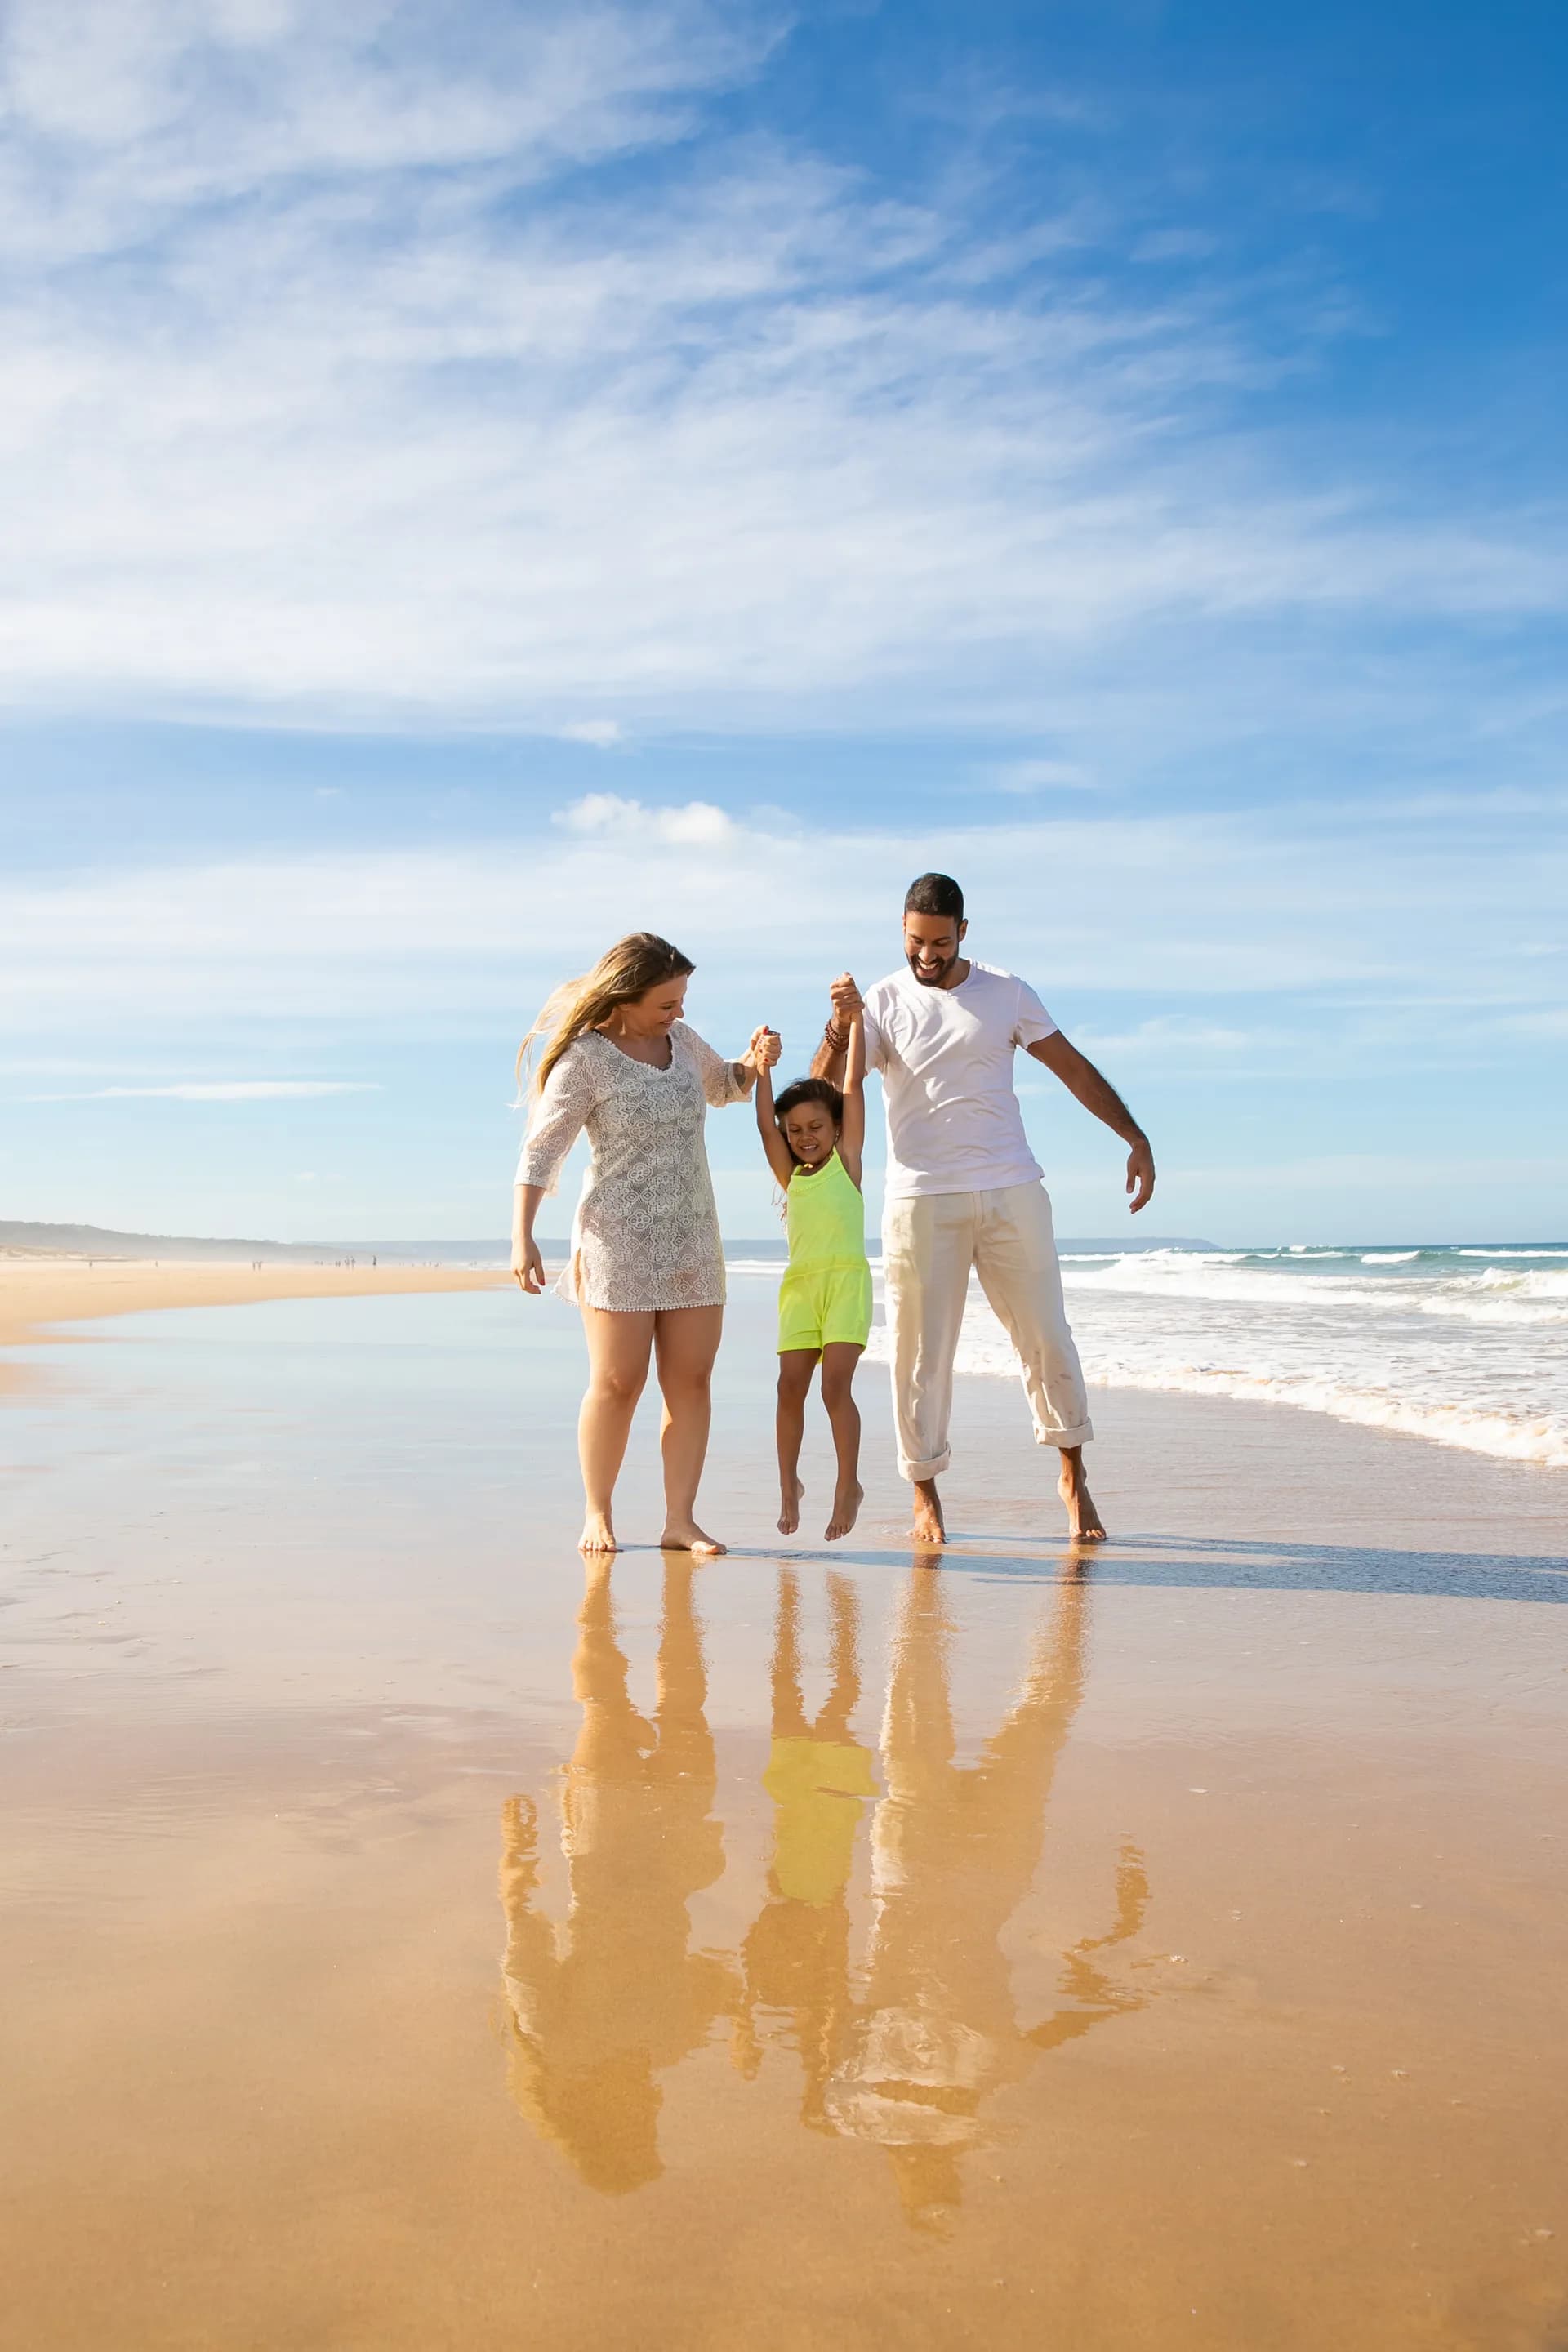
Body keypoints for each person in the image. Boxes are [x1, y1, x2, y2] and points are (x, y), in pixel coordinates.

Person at [813, 873, 1154, 1545]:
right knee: (919, 1356)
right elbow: (826, 1089)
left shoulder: (1007, 992)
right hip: (919, 1199)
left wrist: (1134, 1135)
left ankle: (1073, 1476)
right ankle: (926, 1495)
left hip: (1011, 1191)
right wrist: (840, 1025)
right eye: (916, 942)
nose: (928, 957)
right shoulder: (880, 1001)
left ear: (963, 931)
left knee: (1047, 1338)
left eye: (941, 942)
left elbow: (1074, 1068)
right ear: (902, 932)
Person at [513, 929, 778, 1556]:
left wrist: (755, 1061)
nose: (679, 1012)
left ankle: (679, 1521)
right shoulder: (585, 1059)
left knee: (691, 1381)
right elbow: (542, 1150)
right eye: (667, 1003)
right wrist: (522, 1235)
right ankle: (597, 1514)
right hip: (617, 1240)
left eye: (682, 1000)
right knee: (617, 1382)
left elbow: (726, 1086)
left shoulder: (682, 1043)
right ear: (624, 999)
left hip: (692, 1237)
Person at [754, 1003, 872, 1540]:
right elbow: (762, 1122)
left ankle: (848, 1485)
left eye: (816, 1126)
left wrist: (857, 1024)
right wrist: (762, 1067)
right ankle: (788, 1484)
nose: (805, 1136)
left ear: (836, 1128)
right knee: (788, 1387)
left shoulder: (847, 1161)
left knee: (834, 1388)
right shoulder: (791, 1176)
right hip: (800, 1288)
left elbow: (852, 1088)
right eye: (795, 1129)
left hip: (846, 1283)